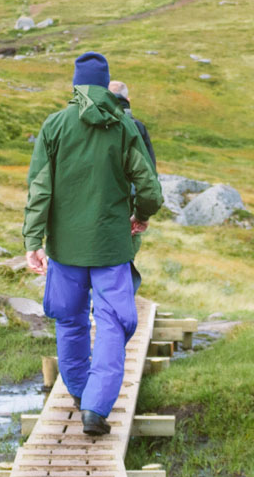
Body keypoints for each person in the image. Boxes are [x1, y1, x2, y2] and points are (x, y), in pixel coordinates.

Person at [23, 52, 162, 436]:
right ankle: (97, 409)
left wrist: (33, 239)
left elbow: (39, 190)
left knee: (69, 319)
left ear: (75, 83)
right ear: (105, 84)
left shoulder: (54, 126)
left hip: (64, 250)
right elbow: (149, 188)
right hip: (111, 249)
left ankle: (82, 394)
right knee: (113, 322)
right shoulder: (123, 127)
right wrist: (141, 215)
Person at [108, 80, 156, 292]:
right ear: (128, 100)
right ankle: (117, 315)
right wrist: (141, 214)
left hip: (95, 210)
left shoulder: (90, 124)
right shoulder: (137, 127)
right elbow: (148, 176)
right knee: (122, 266)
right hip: (127, 210)